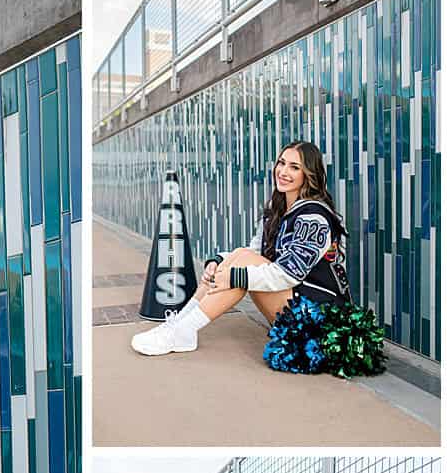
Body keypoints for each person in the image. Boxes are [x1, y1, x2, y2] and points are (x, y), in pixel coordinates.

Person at [131, 140, 349, 356]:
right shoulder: (279, 208)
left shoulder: (314, 218)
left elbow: (288, 275)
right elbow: (252, 253)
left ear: (309, 175)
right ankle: (179, 325)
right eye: (281, 163)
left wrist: (234, 277)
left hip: (322, 324)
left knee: (241, 266)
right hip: (296, 306)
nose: (283, 171)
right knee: (239, 258)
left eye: (294, 167)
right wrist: (218, 263)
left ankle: (183, 331)